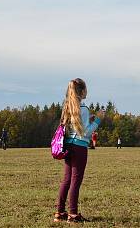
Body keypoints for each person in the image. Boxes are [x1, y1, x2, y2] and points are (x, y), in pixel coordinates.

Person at [54, 78, 103, 223]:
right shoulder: (84, 109)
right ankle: (73, 214)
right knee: (76, 181)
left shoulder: (67, 107)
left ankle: (60, 212)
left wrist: (90, 119)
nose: (87, 91)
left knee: (67, 180)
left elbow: (75, 126)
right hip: (80, 147)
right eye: (86, 89)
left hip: (68, 146)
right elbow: (86, 133)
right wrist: (98, 120)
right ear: (81, 91)